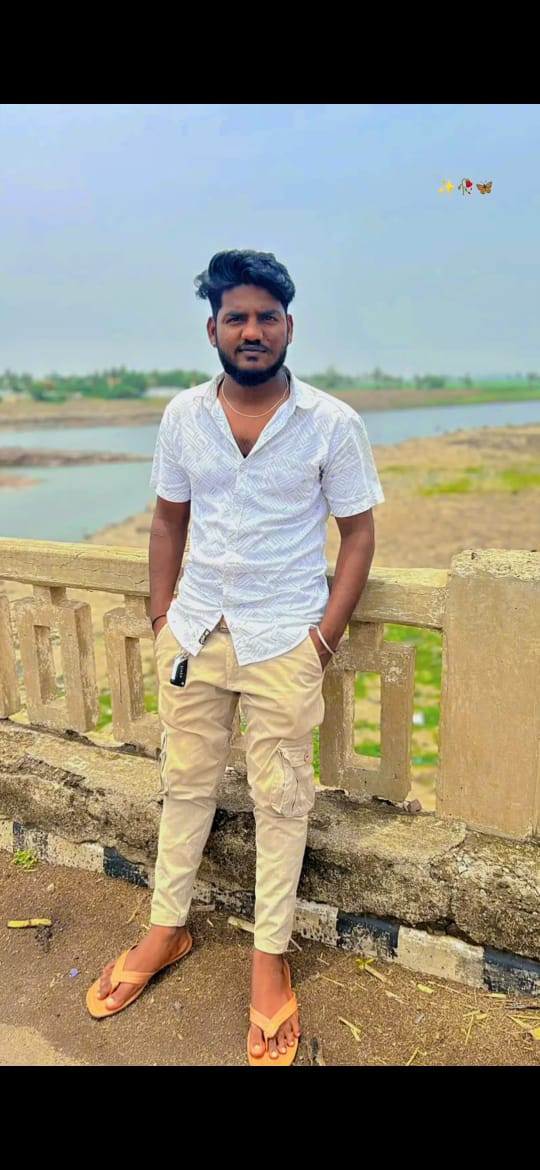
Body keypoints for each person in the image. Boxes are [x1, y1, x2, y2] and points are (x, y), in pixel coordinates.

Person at [86, 249, 384, 1065]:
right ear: (212, 329)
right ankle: (165, 929)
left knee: (282, 797)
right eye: (237, 317)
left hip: (285, 637)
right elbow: (167, 520)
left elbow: (358, 536)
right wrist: (161, 617)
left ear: (289, 326)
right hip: (194, 633)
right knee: (184, 784)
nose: (252, 331)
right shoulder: (184, 416)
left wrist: (322, 640)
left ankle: (269, 956)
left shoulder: (330, 423)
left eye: (267, 317)